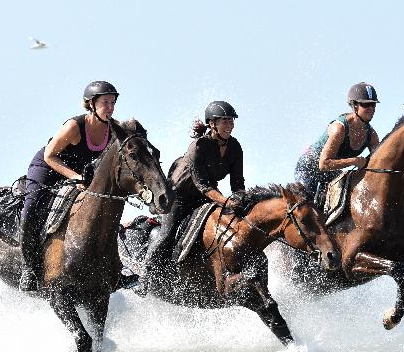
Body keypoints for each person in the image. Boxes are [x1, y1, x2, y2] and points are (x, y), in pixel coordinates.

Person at [18, 80, 120, 292]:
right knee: (31, 210)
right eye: (105, 102)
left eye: (113, 102)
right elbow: (49, 155)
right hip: (48, 167)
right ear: (91, 104)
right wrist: (76, 177)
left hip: (80, 174)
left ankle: (115, 269)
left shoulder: (113, 128)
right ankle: (29, 268)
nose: (110, 107)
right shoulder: (74, 126)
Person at [138, 100, 246, 294]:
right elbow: (202, 186)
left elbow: (238, 184)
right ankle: (145, 278)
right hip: (180, 197)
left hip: (207, 198)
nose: (229, 125)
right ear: (212, 124)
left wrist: (242, 201)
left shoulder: (235, 147)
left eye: (231, 121)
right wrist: (226, 201)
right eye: (224, 121)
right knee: (167, 235)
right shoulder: (198, 146)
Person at [294, 82, 381, 205]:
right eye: (366, 104)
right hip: (309, 168)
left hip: (331, 172)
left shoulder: (371, 135)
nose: (371, 108)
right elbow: (323, 164)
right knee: (308, 210)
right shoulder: (339, 129)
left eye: (373, 104)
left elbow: (377, 163)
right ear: (354, 105)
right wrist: (354, 161)